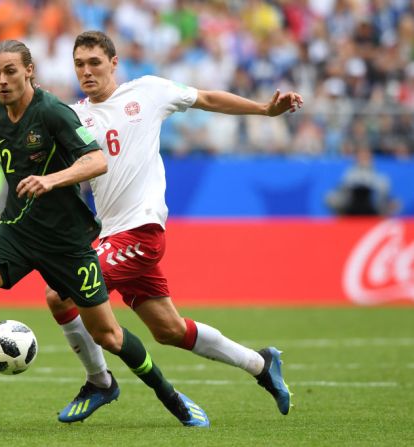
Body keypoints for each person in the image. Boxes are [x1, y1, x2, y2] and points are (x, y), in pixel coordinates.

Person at [0, 39, 209, 428]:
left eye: (10, 72)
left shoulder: (53, 112)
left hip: (68, 242)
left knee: (109, 335)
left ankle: (170, 397)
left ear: (29, 71)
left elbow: (96, 160)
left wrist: (51, 180)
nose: (2, 81)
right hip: (17, 231)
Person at [45, 31, 304, 423]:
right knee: (168, 330)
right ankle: (261, 364)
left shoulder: (147, 91)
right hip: (112, 234)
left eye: (95, 62)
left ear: (114, 63)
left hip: (141, 232)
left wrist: (263, 110)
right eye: (79, 64)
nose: (86, 71)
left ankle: (99, 381)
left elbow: (207, 99)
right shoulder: (75, 116)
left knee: (61, 295)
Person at [325, 145, 400, 216]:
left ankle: (378, 225)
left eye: (366, 156)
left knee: (396, 204)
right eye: (361, 156)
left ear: (371, 158)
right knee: (330, 198)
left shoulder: (380, 178)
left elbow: (385, 196)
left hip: (374, 210)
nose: (363, 159)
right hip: (349, 209)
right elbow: (341, 191)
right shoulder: (349, 175)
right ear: (356, 158)